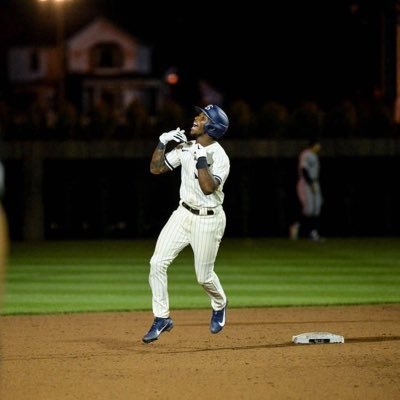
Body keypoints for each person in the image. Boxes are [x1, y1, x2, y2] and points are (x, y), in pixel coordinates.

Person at [142, 104, 230, 344]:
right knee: (157, 263)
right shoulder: (186, 146)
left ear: (212, 126)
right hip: (183, 213)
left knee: (204, 277)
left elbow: (208, 187)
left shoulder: (220, 157)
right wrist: (163, 142)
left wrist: (201, 157)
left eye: (202, 117)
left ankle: (220, 303)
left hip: (209, 220)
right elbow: (156, 168)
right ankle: (162, 318)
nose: (196, 118)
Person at [289, 138, 324, 241]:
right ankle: (296, 226)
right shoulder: (306, 154)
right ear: (313, 145)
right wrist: (310, 183)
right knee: (308, 208)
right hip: (306, 183)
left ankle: (314, 233)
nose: (320, 147)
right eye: (318, 144)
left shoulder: (314, 155)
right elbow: (303, 169)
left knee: (316, 208)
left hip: (314, 182)